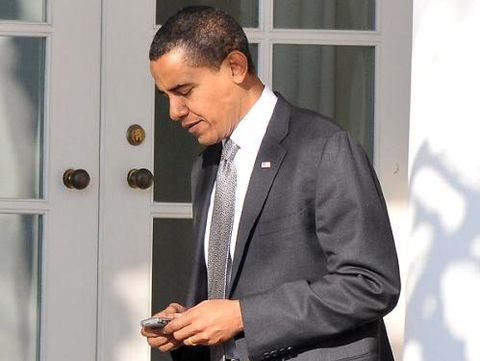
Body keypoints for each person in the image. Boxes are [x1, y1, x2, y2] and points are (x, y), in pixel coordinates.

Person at [141, 6, 400, 361]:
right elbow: (228, 288)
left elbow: (371, 283)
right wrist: (188, 325)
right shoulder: (207, 166)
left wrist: (242, 316)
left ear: (235, 66)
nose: (174, 111)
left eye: (184, 90)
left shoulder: (324, 147)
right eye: (166, 96)